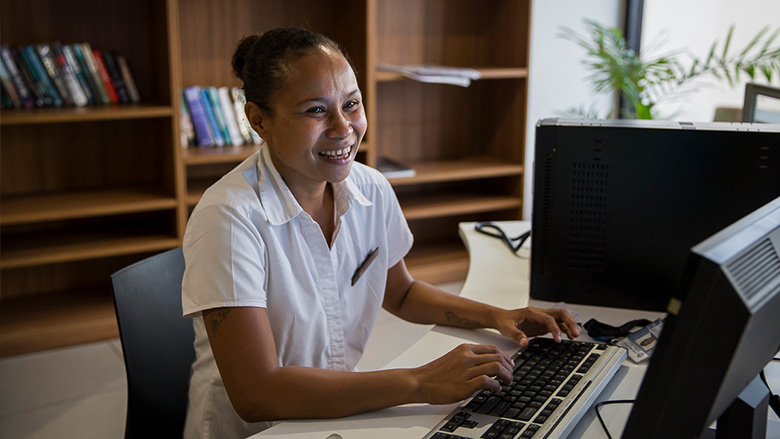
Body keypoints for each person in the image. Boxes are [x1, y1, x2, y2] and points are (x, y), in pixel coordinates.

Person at [181, 27, 580, 439]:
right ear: (258, 120)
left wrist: (497, 316)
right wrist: (419, 382)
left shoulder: (370, 188)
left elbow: (401, 292)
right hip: (259, 430)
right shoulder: (228, 218)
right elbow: (256, 394)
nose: (343, 128)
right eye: (315, 111)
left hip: (335, 412)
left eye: (351, 104)